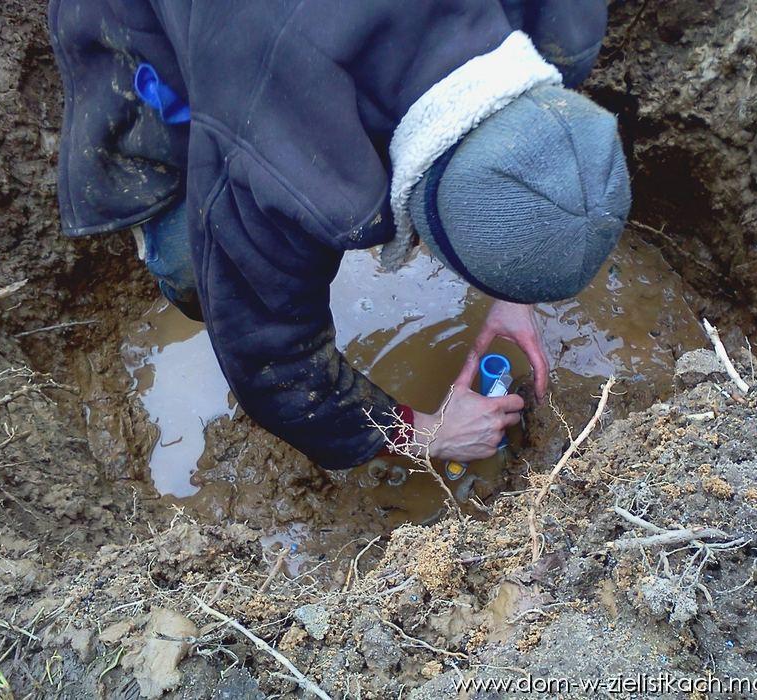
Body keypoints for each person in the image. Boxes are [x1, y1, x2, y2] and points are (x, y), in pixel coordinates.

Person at [48, 1, 631, 470]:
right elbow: (273, 360)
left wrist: (513, 280)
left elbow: (543, 160)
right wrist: (422, 434)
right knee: (192, 271)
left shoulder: (564, 21)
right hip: (176, 40)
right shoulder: (274, 147)